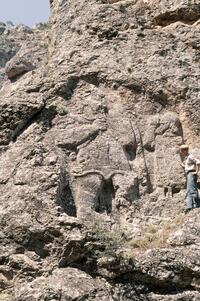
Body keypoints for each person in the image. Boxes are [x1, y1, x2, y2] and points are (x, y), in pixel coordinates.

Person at [180, 144, 200, 212]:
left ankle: (196, 205)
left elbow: (198, 162)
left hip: (191, 173)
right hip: (189, 173)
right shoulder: (187, 157)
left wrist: (196, 172)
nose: (181, 152)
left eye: (182, 151)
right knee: (189, 190)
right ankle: (190, 206)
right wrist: (183, 166)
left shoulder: (190, 156)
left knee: (192, 189)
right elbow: (188, 166)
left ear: (185, 150)